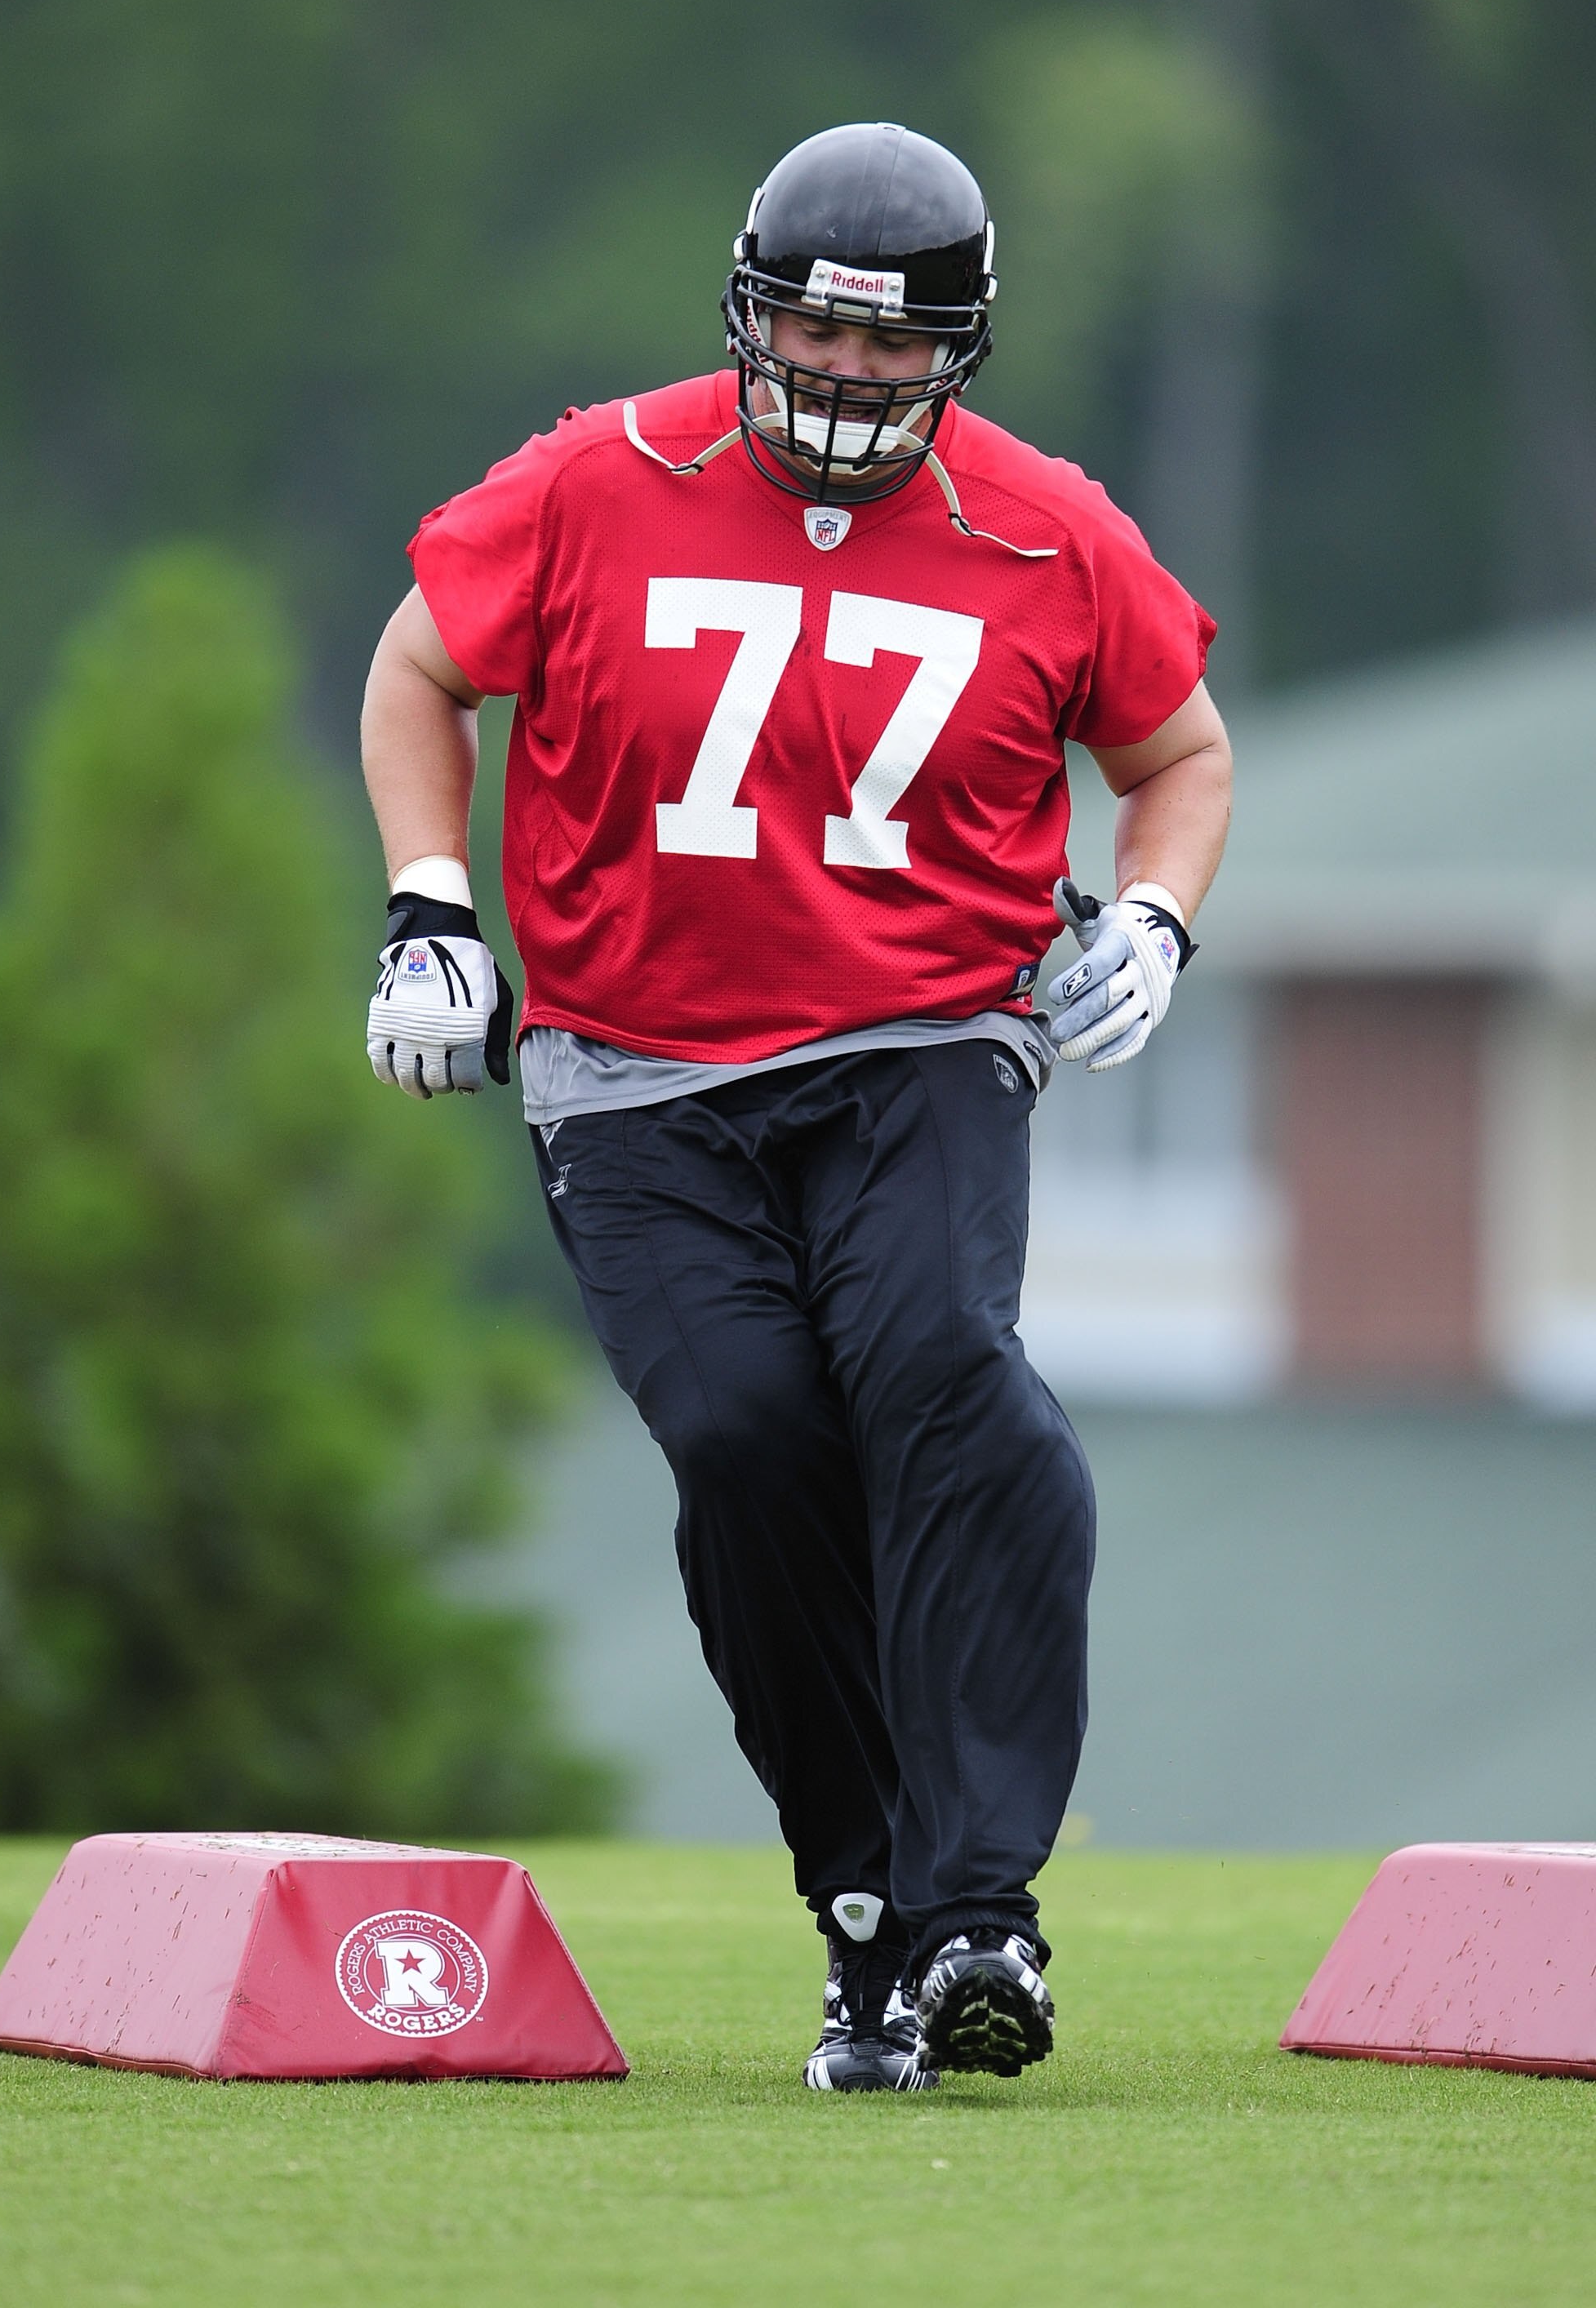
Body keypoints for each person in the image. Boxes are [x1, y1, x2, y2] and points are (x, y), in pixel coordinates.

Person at [362, 122, 1231, 2092]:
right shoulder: (602, 472)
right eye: (816, 343)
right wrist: (429, 908)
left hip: (919, 1041)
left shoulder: (1048, 526)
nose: (847, 383)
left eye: (895, 352)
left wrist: (1160, 921)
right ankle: (867, 1917)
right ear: (751, 316)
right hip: (635, 1070)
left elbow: (1177, 746)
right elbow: (422, 669)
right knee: (753, 1441)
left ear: (965, 348)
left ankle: (981, 1910)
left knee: (939, 1368)